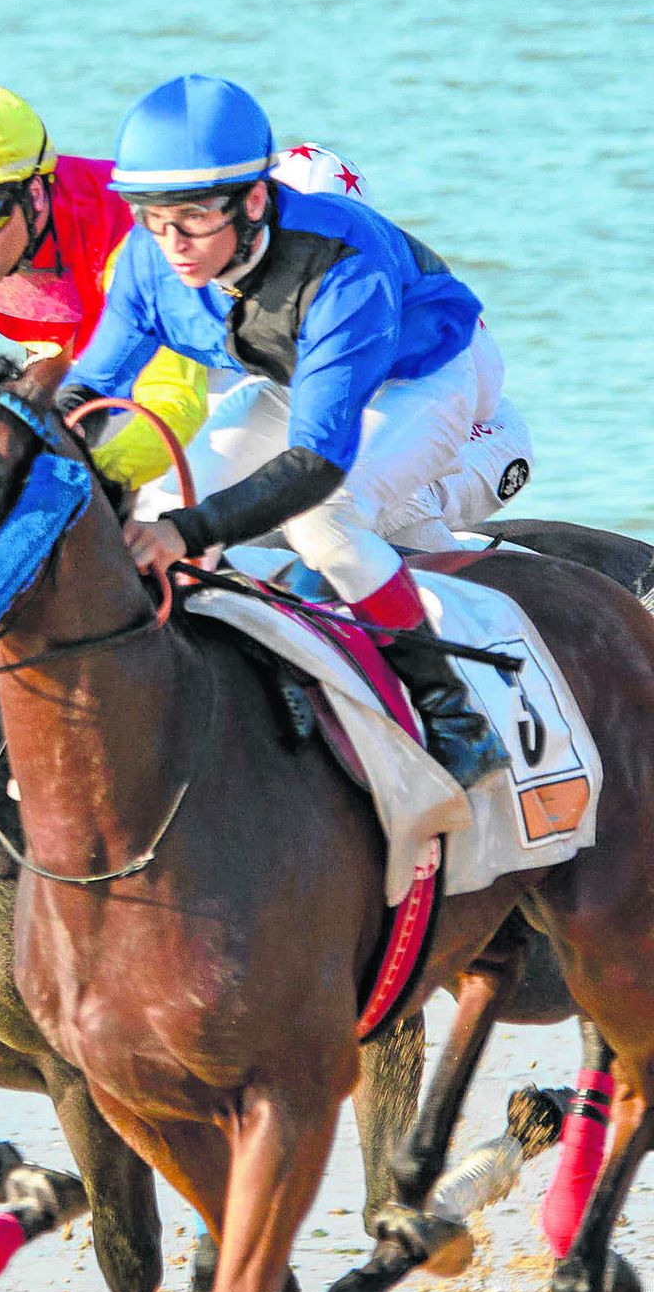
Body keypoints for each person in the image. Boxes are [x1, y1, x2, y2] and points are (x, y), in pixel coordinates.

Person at [63, 73, 514, 790]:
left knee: (322, 520)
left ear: (253, 200)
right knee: (162, 496)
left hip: (419, 377)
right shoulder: (150, 257)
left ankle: (452, 713)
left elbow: (316, 462)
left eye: (193, 218)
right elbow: (91, 390)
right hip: (292, 374)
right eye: (152, 217)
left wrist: (188, 530)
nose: (173, 244)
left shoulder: (341, 267)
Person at [0, 81, 207, 491]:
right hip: (84, 375)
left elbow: (175, 401)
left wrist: (78, 484)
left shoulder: (131, 238)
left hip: (214, 373)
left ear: (34, 194)